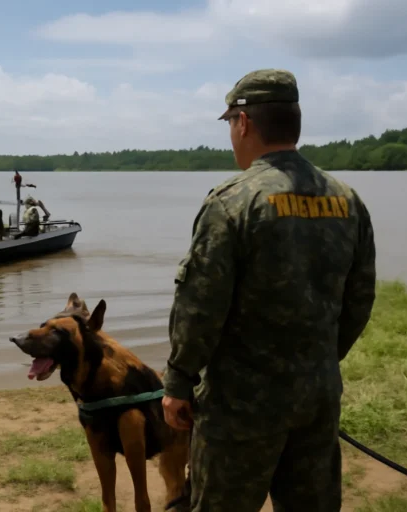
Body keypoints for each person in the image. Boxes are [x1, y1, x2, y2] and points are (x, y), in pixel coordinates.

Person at [161, 69, 376, 512]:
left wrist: (179, 380)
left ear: (244, 123)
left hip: (240, 407)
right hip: (317, 398)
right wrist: (316, 362)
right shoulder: (346, 199)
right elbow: (359, 299)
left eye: (229, 126)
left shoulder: (232, 202)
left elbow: (201, 305)